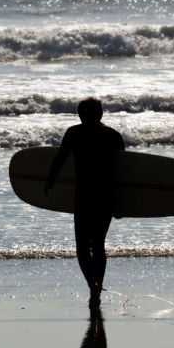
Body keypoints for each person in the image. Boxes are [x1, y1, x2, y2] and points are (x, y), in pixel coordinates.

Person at [44, 97, 125, 308]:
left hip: (84, 196)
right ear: (100, 113)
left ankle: (93, 286)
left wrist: (50, 181)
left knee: (83, 246)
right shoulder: (113, 136)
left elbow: (60, 159)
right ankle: (96, 285)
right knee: (98, 245)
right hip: (105, 196)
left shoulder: (75, 133)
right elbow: (122, 173)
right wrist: (120, 202)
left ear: (81, 115)